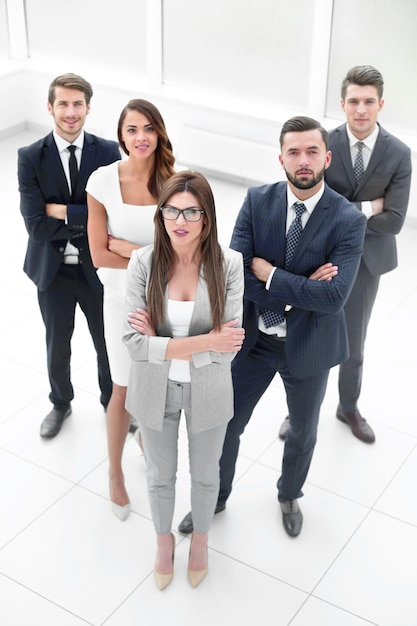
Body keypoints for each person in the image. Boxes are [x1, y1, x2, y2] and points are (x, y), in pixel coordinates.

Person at [178, 116, 367, 539]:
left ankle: (289, 494)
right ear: (281, 157)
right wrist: (298, 287)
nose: (303, 160)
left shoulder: (348, 219)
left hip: (311, 346)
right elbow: (234, 275)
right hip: (254, 341)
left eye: (312, 151)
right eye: (294, 152)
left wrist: (271, 275)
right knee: (227, 424)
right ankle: (217, 495)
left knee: (303, 429)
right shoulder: (256, 201)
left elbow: (335, 297)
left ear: (328, 157)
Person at [122, 171, 244, 588]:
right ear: (161, 214)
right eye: (172, 209)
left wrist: (163, 342)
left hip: (208, 389)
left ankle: (201, 542)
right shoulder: (143, 262)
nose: (181, 219)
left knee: (207, 474)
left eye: (192, 211)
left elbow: (231, 344)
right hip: (153, 389)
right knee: (159, 474)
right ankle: (162, 540)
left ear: (206, 218)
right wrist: (207, 338)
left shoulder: (228, 264)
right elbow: (133, 344)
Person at [279, 66, 412, 444]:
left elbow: (396, 220)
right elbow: (311, 202)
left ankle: (347, 406)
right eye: (353, 101)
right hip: (319, 258)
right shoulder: (322, 143)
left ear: (380, 104)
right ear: (342, 103)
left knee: (354, 342)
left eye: (369, 101)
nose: (361, 109)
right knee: (306, 336)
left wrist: (347, 211)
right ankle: (298, 410)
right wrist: (370, 207)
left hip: (368, 263)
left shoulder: (399, 153)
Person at [86, 99, 176, 521]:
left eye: (148, 129)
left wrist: (129, 248)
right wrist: (148, 256)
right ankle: (115, 473)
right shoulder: (102, 182)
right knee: (122, 387)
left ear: (159, 133)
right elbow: (99, 257)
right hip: (121, 302)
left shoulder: (177, 183)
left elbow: (182, 257)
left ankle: (147, 444)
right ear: (121, 136)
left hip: (164, 303)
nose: (140, 137)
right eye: (131, 130)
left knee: (153, 385)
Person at [18, 73, 121, 439]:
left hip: (98, 269)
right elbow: (36, 227)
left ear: (88, 108)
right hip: (53, 270)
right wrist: (87, 216)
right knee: (57, 345)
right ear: (50, 107)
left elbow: (111, 217)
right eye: (63, 103)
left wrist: (61, 211)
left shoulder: (108, 152)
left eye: (78, 103)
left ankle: (114, 403)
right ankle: (60, 402)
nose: (70, 111)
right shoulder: (30, 157)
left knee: (107, 343)